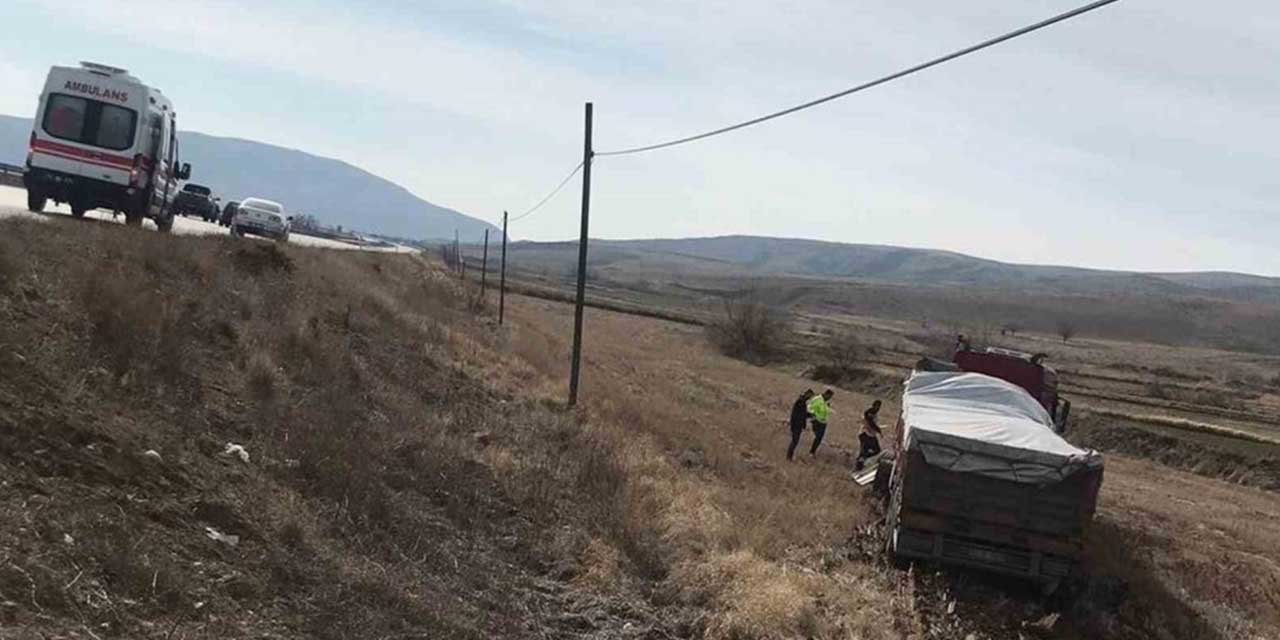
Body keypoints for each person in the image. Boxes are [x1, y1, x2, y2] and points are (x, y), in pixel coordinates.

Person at [786, 389, 815, 461]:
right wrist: (809, 415)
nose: (810, 398)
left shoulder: (802, 401)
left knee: (795, 441)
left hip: (798, 424)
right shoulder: (800, 402)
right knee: (795, 441)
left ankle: (790, 456)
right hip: (796, 424)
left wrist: (810, 415)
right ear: (807, 394)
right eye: (810, 396)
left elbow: (803, 414)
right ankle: (789, 456)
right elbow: (799, 414)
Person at [855, 400, 884, 471]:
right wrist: (879, 430)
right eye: (877, 406)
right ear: (873, 405)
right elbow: (871, 423)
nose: (878, 408)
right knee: (864, 451)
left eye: (879, 406)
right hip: (865, 434)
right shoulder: (869, 412)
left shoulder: (875, 413)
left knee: (877, 451)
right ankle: (859, 465)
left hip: (871, 435)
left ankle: (862, 459)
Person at [806, 389, 835, 457]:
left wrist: (829, 409)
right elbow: (810, 407)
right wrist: (813, 415)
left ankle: (813, 451)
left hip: (823, 422)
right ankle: (812, 452)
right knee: (818, 437)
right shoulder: (817, 399)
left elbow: (823, 410)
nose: (829, 398)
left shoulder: (825, 401)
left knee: (819, 438)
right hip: (816, 420)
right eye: (829, 397)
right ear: (826, 394)